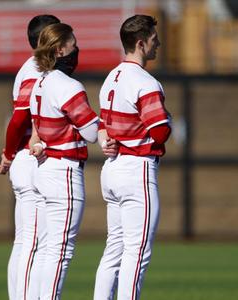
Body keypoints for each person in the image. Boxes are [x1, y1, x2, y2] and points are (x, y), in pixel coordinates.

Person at [93, 15, 171, 300]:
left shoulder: (111, 77)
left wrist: (106, 141)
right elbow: (161, 132)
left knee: (114, 249)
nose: (158, 43)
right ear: (141, 43)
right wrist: (170, 120)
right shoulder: (145, 81)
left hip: (112, 169)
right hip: (137, 169)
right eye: (153, 39)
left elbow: (102, 124)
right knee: (137, 253)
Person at [28, 22, 99, 300]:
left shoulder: (40, 83)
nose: (76, 48)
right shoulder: (68, 86)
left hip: (45, 170)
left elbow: (39, 132)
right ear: (60, 49)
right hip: (64, 172)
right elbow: (92, 133)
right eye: (73, 43)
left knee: (47, 249)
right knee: (60, 251)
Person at [0, 14, 60, 300]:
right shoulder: (36, 68)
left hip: (26, 157)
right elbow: (20, 117)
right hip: (28, 157)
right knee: (32, 243)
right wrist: (9, 153)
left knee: (28, 242)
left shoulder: (38, 67)